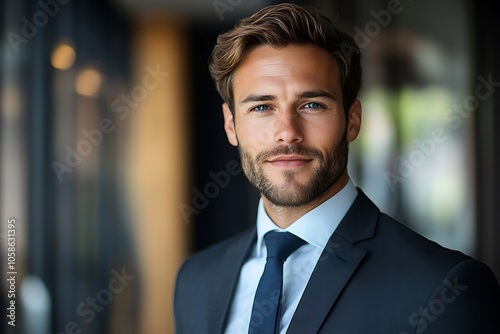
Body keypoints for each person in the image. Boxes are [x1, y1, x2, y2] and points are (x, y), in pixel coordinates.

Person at [173, 3, 500, 333]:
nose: (287, 131)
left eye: (312, 105)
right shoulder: (196, 281)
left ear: (352, 120)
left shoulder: (445, 289)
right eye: (262, 107)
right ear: (231, 125)